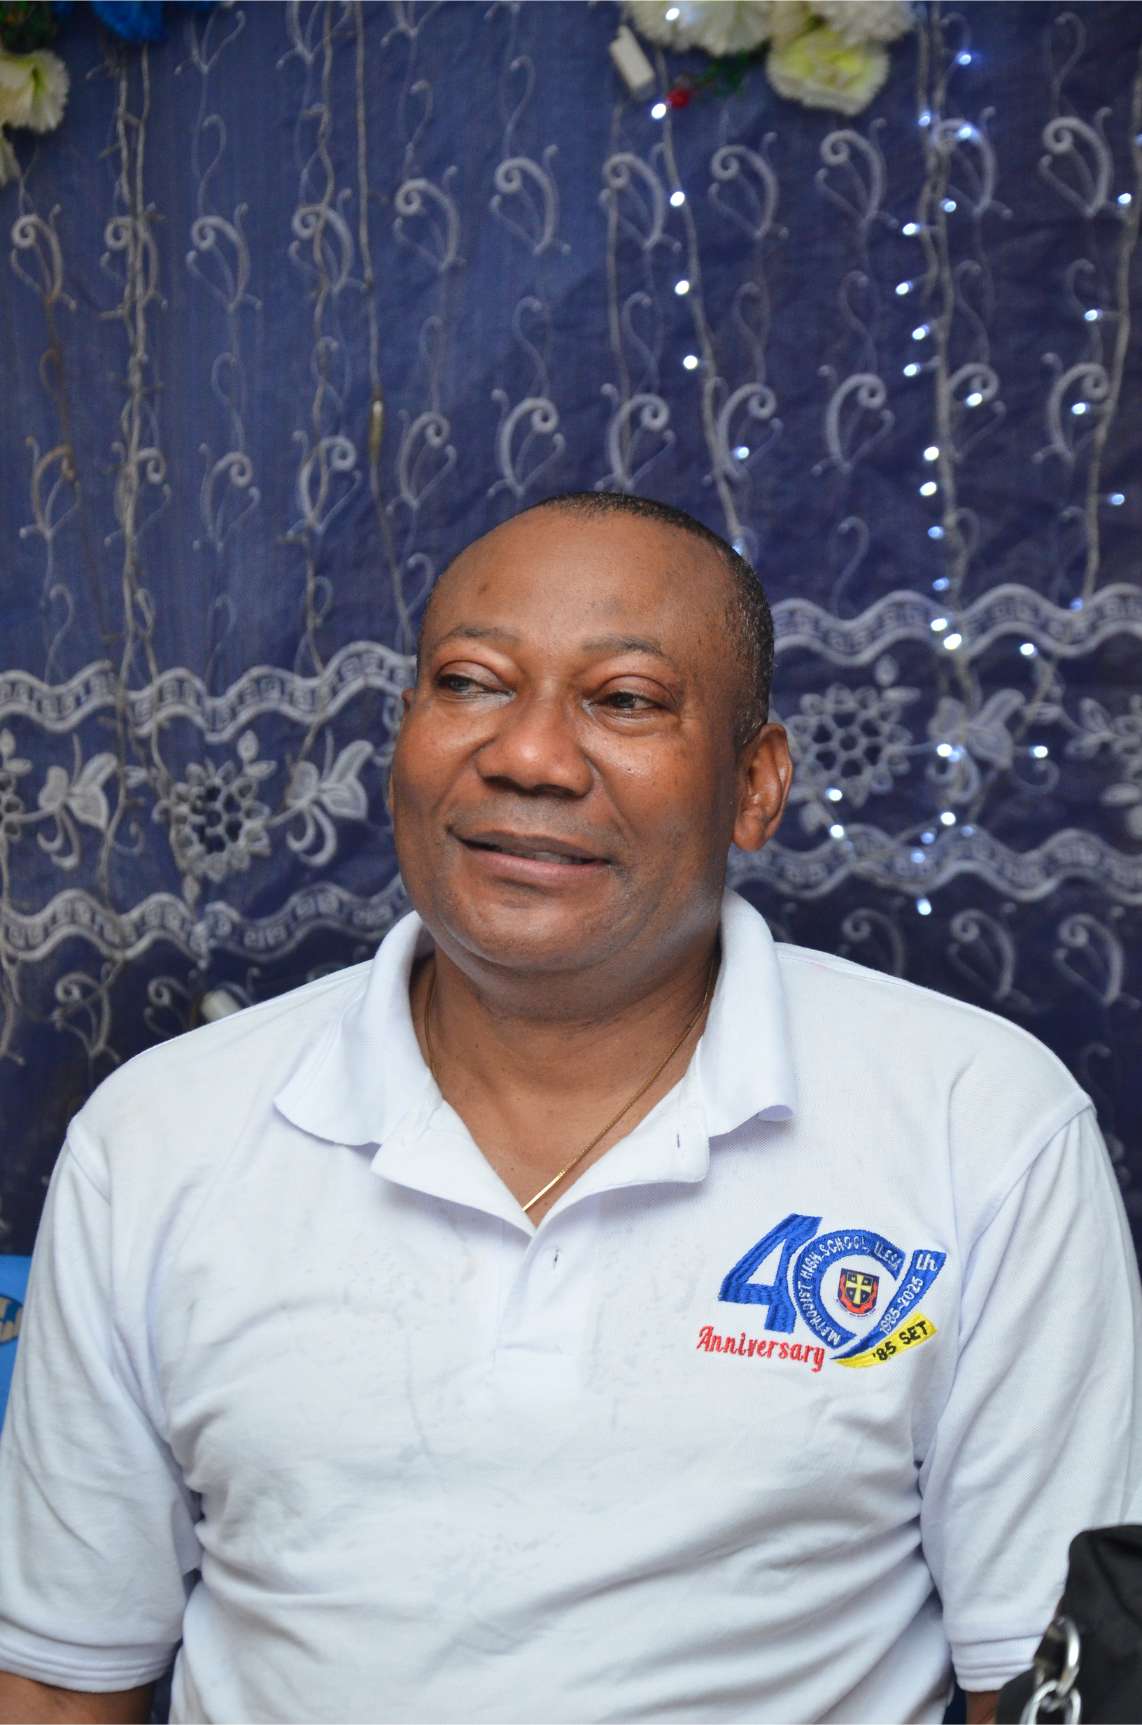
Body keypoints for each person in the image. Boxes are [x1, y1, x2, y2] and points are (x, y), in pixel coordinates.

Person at [0, 493, 1138, 1725]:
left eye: (625, 700)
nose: (529, 756)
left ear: (754, 785)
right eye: (470, 683)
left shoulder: (976, 1124)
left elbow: (1044, 1681)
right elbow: (62, 1681)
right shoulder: (161, 1135)